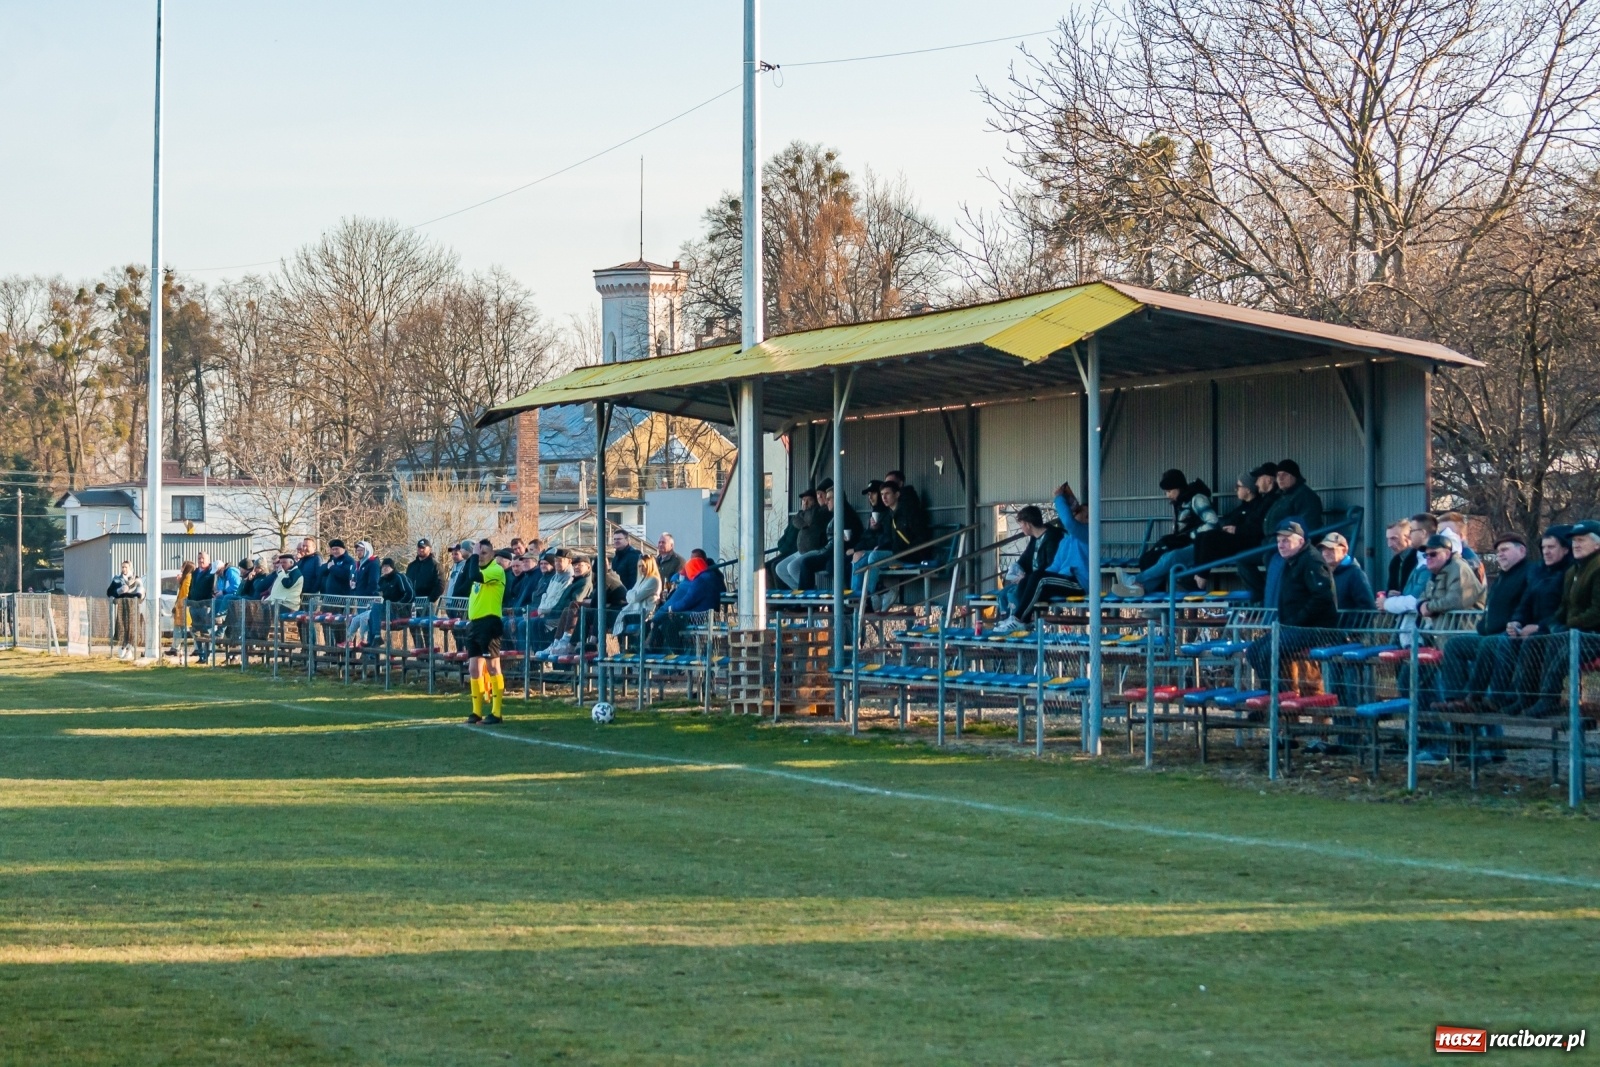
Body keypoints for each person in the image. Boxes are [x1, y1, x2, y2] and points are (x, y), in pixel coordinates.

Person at [1506, 520, 1600, 718]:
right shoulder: (1574, 571)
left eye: (1581, 540)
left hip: (1594, 635)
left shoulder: (1597, 568)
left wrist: (1566, 625)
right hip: (1576, 631)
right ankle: (1527, 698)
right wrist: (1551, 625)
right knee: (1537, 641)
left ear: (1597, 544)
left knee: (1561, 647)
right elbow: (1564, 607)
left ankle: (1549, 700)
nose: (1576, 544)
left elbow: (1596, 612)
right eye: (1574, 540)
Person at [1440, 532, 1533, 707]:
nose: (1500, 554)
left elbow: (1529, 607)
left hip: (1511, 638)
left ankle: (1477, 698)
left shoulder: (1530, 574)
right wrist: (1483, 626)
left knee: (1489, 643)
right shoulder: (1501, 577)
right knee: (1455, 645)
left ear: (1522, 550)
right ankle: (1455, 699)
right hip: (1488, 636)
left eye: (1505, 549)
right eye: (1498, 551)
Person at [1245, 520, 1340, 681]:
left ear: (1300, 541)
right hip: (1292, 627)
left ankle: (1279, 698)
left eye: (1286, 541)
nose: (1281, 545)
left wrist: (1296, 621)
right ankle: (1275, 696)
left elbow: (1322, 597)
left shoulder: (1312, 561)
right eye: (1279, 541)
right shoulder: (1291, 561)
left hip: (1315, 630)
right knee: (1254, 652)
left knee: (1269, 651)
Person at [993, 481, 1092, 633]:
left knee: (1041, 579)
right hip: (1063, 579)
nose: (1075, 514)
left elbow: (1068, 522)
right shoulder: (1067, 540)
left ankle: (1019, 619)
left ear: (1087, 518)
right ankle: (1016, 618)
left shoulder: (1088, 534)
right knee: (1033, 578)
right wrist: (1034, 576)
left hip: (1077, 583)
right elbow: (1055, 565)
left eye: (1079, 513)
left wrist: (1059, 498)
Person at [1114, 469, 1218, 596]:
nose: (1167, 495)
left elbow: (1213, 523)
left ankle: (1135, 581)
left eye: (1169, 491)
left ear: (1178, 487)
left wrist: (1190, 535)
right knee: (1151, 558)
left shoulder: (1198, 499)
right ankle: (1141, 589)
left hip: (1202, 546)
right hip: (1187, 544)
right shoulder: (1179, 502)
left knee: (1172, 557)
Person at [464, 542, 509, 725]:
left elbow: (474, 574)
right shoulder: (479, 572)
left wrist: (472, 555)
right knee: (474, 669)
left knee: (493, 667)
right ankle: (476, 711)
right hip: (475, 624)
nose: (480, 556)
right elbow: (471, 576)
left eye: (483, 553)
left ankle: (496, 713)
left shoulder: (496, 570)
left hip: (490, 623)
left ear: (491, 554)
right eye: (478, 553)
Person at [794, 478, 863, 591]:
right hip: (830, 551)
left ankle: (842, 601)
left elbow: (852, 538)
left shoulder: (848, 515)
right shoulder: (835, 514)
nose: (826, 502)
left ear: (839, 499)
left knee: (829, 565)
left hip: (840, 552)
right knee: (806, 563)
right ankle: (805, 602)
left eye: (829, 499)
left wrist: (847, 542)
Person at [1192, 473, 1270, 571]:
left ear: (1248, 489)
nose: (1235, 489)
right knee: (1201, 536)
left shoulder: (1258, 507)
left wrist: (1236, 529)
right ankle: (1197, 574)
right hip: (1235, 541)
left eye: (1238, 486)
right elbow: (1225, 520)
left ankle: (1200, 576)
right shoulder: (1242, 507)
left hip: (1247, 543)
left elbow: (1256, 528)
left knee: (1208, 538)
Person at [648, 554, 726, 651]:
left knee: (668, 624)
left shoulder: (700, 580)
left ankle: (677, 652)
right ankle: (652, 644)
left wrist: (671, 608)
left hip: (699, 615)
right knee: (668, 621)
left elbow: (688, 600)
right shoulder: (710, 577)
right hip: (707, 614)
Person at [998, 505, 1062, 617]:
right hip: (1029, 580)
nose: (1021, 527)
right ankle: (1005, 622)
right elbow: (1025, 559)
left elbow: (1051, 567)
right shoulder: (1034, 538)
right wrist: (1017, 568)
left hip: (1042, 583)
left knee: (1013, 594)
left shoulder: (1053, 537)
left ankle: (1018, 621)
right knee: (1002, 594)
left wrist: (1026, 578)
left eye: (1021, 524)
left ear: (1028, 524)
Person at [775, 488, 829, 590]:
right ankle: (801, 592)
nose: (805, 503)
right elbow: (796, 521)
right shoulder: (803, 513)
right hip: (801, 551)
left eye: (809, 500)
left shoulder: (818, 511)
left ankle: (810, 590)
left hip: (815, 549)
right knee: (780, 568)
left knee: (792, 567)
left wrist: (804, 515)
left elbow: (809, 520)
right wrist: (803, 516)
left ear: (815, 501)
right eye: (804, 500)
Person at [1319, 532, 1376, 611]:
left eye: (1331, 549)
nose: (1325, 553)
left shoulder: (1355, 574)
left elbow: (1368, 607)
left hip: (1348, 623)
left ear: (1344, 550)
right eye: (1323, 549)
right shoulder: (1323, 574)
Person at [615, 555, 661, 636]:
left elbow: (636, 597)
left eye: (643, 566)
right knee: (615, 613)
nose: (641, 569)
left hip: (644, 612)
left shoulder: (653, 580)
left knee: (619, 617)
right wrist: (632, 594)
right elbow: (630, 597)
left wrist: (631, 594)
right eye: (639, 566)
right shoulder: (641, 579)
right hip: (636, 610)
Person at [107, 559, 143, 660]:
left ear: (130, 568)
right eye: (122, 567)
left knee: (132, 628)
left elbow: (141, 590)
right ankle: (123, 646)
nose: (124, 569)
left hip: (133, 606)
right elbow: (109, 592)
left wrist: (138, 595)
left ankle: (129, 649)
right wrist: (118, 591)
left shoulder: (136, 579)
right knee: (122, 627)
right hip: (122, 606)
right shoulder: (117, 579)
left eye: (126, 567)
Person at [186, 552, 218, 664]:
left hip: (205, 606)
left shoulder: (211, 573)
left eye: (203, 558)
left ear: (208, 560)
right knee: (196, 631)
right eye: (199, 558)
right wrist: (189, 598)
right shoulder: (195, 572)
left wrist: (209, 601)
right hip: (194, 605)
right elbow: (191, 586)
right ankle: (200, 655)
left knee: (207, 631)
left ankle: (207, 655)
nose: (201, 561)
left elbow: (213, 589)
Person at [1384, 520, 1417, 594]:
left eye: (1394, 538)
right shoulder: (1395, 562)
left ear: (1408, 538)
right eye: (1388, 539)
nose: (1389, 544)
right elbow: (1392, 588)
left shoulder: (1419, 560)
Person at [407, 538, 444, 603]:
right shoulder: (411, 566)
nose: (420, 550)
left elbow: (440, 585)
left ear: (429, 549)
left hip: (428, 604)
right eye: (419, 547)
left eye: (423, 548)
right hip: (412, 603)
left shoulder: (435, 565)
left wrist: (430, 600)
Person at [169, 560, 195, 656]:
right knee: (178, 628)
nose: (181, 568)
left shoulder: (188, 577)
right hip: (180, 606)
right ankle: (175, 648)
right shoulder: (185, 578)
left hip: (184, 606)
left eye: (183, 566)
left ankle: (197, 648)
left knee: (192, 628)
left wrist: (181, 582)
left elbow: (185, 592)